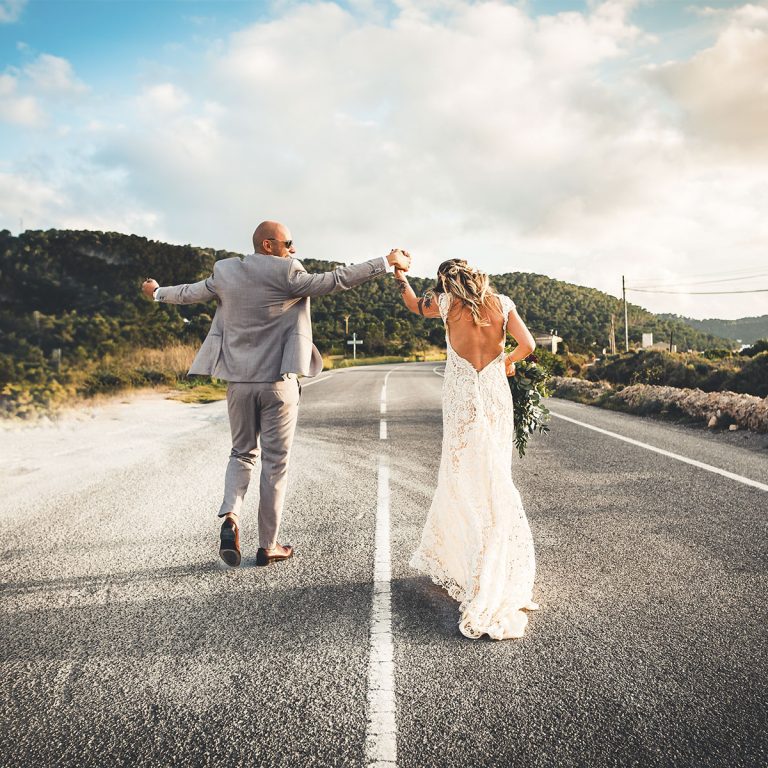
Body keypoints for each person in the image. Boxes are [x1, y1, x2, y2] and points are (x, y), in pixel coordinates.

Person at [141, 221, 411, 568]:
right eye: (289, 243)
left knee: (241, 453)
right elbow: (337, 279)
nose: (293, 249)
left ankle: (231, 517)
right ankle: (268, 546)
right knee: (274, 464)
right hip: (278, 384)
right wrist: (386, 262)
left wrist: (157, 292)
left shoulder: (225, 272)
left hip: (238, 384)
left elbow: (187, 293)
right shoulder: (288, 272)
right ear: (268, 245)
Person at [394, 257, 539, 639]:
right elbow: (528, 345)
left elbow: (412, 304)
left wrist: (400, 276)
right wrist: (507, 362)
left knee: (461, 475)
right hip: (493, 396)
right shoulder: (502, 304)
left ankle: (473, 560)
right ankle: (494, 557)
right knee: (495, 473)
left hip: (461, 399)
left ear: (445, 282)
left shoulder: (445, 304)